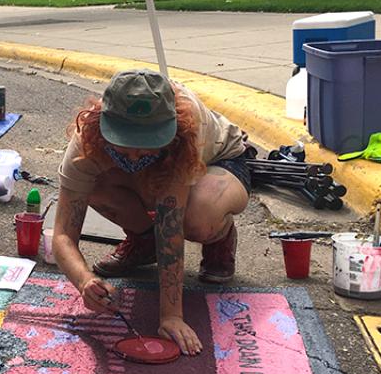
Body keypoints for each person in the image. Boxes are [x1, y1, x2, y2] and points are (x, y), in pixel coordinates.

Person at [51, 69, 252, 356]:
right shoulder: (88, 140)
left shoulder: (184, 135)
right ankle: (144, 242)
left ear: (168, 131)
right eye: (125, 142)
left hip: (221, 163)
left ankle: (219, 237)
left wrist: (171, 316)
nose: (134, 155)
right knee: (91, 186)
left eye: (146, 144)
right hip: (151, 173)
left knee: (196, 218)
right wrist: (84, 281)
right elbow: (62, 235)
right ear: (101, 124)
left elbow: (170, 231)